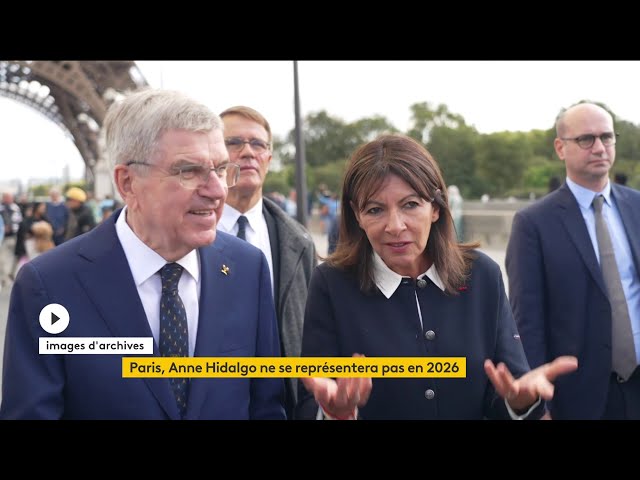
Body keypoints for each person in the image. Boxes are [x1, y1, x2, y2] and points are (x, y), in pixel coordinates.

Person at [0, 88, 286, 420]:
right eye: (189, 171)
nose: (218, 190)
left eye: (221, 169)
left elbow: (265, 406)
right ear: (127, 183)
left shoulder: (247, 268)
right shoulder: (48, 284)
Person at [295, 134, 577, 420]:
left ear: (436, 207)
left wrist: (521, 404)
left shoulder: (482, 275)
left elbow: (507, 391)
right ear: (357, 215)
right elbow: (310, 401)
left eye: (410, 205)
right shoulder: (331, 284)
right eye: (375, 209)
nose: (395, 226)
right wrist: (334, 413)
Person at [506, 102, 640, 420]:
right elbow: (528, 321)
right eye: (586, 139)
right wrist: (540, 406)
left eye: (607, 137)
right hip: (578, 397)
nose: (599, 147)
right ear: (560, 147)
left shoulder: (637, 207)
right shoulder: (533, 224)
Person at [218, 105, 317, 419]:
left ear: (269, 159)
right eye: (233, 143)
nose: (247, 151)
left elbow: (308, 335)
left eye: (258, 144)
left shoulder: (299, 243)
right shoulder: (182, 240)